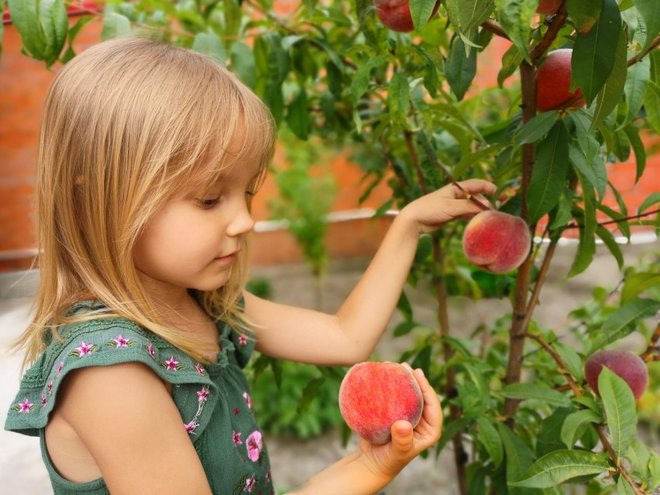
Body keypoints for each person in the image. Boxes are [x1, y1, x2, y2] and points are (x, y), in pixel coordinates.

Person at [4, 35, 496, 494]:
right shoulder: (109, 373)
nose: (245, 221)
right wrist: (369, 468)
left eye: (248, 193)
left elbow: (346, 336)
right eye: (209, 199)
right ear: (105, 198)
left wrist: (407, 224)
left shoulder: (204, 303)